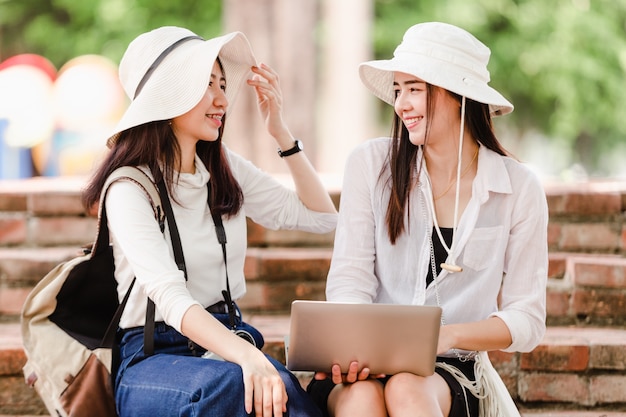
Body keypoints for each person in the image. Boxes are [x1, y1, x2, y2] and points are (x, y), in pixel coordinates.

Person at [82, 26, 337, 417]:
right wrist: (249, 360)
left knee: (276, 389)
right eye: (207, 84)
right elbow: (170, 297)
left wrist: (281, 133)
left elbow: (320, 218)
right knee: (237, 385)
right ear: (168, 96)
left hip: (228, 342)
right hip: (153, 358)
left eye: (222, 83)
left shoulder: (223, 167)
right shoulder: (129, 188)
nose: (222, 99)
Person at [307, 22, 548, 417]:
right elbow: (350, 282)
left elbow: (526, 319)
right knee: (364, 397)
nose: (401, 104)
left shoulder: (517, 188)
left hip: (452, 368)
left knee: (406, 388)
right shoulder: (370, 166)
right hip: (366, 360)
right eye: (398, 90)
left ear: (459, 96)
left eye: (414, 89)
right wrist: (351, 345)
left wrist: (443, 336)